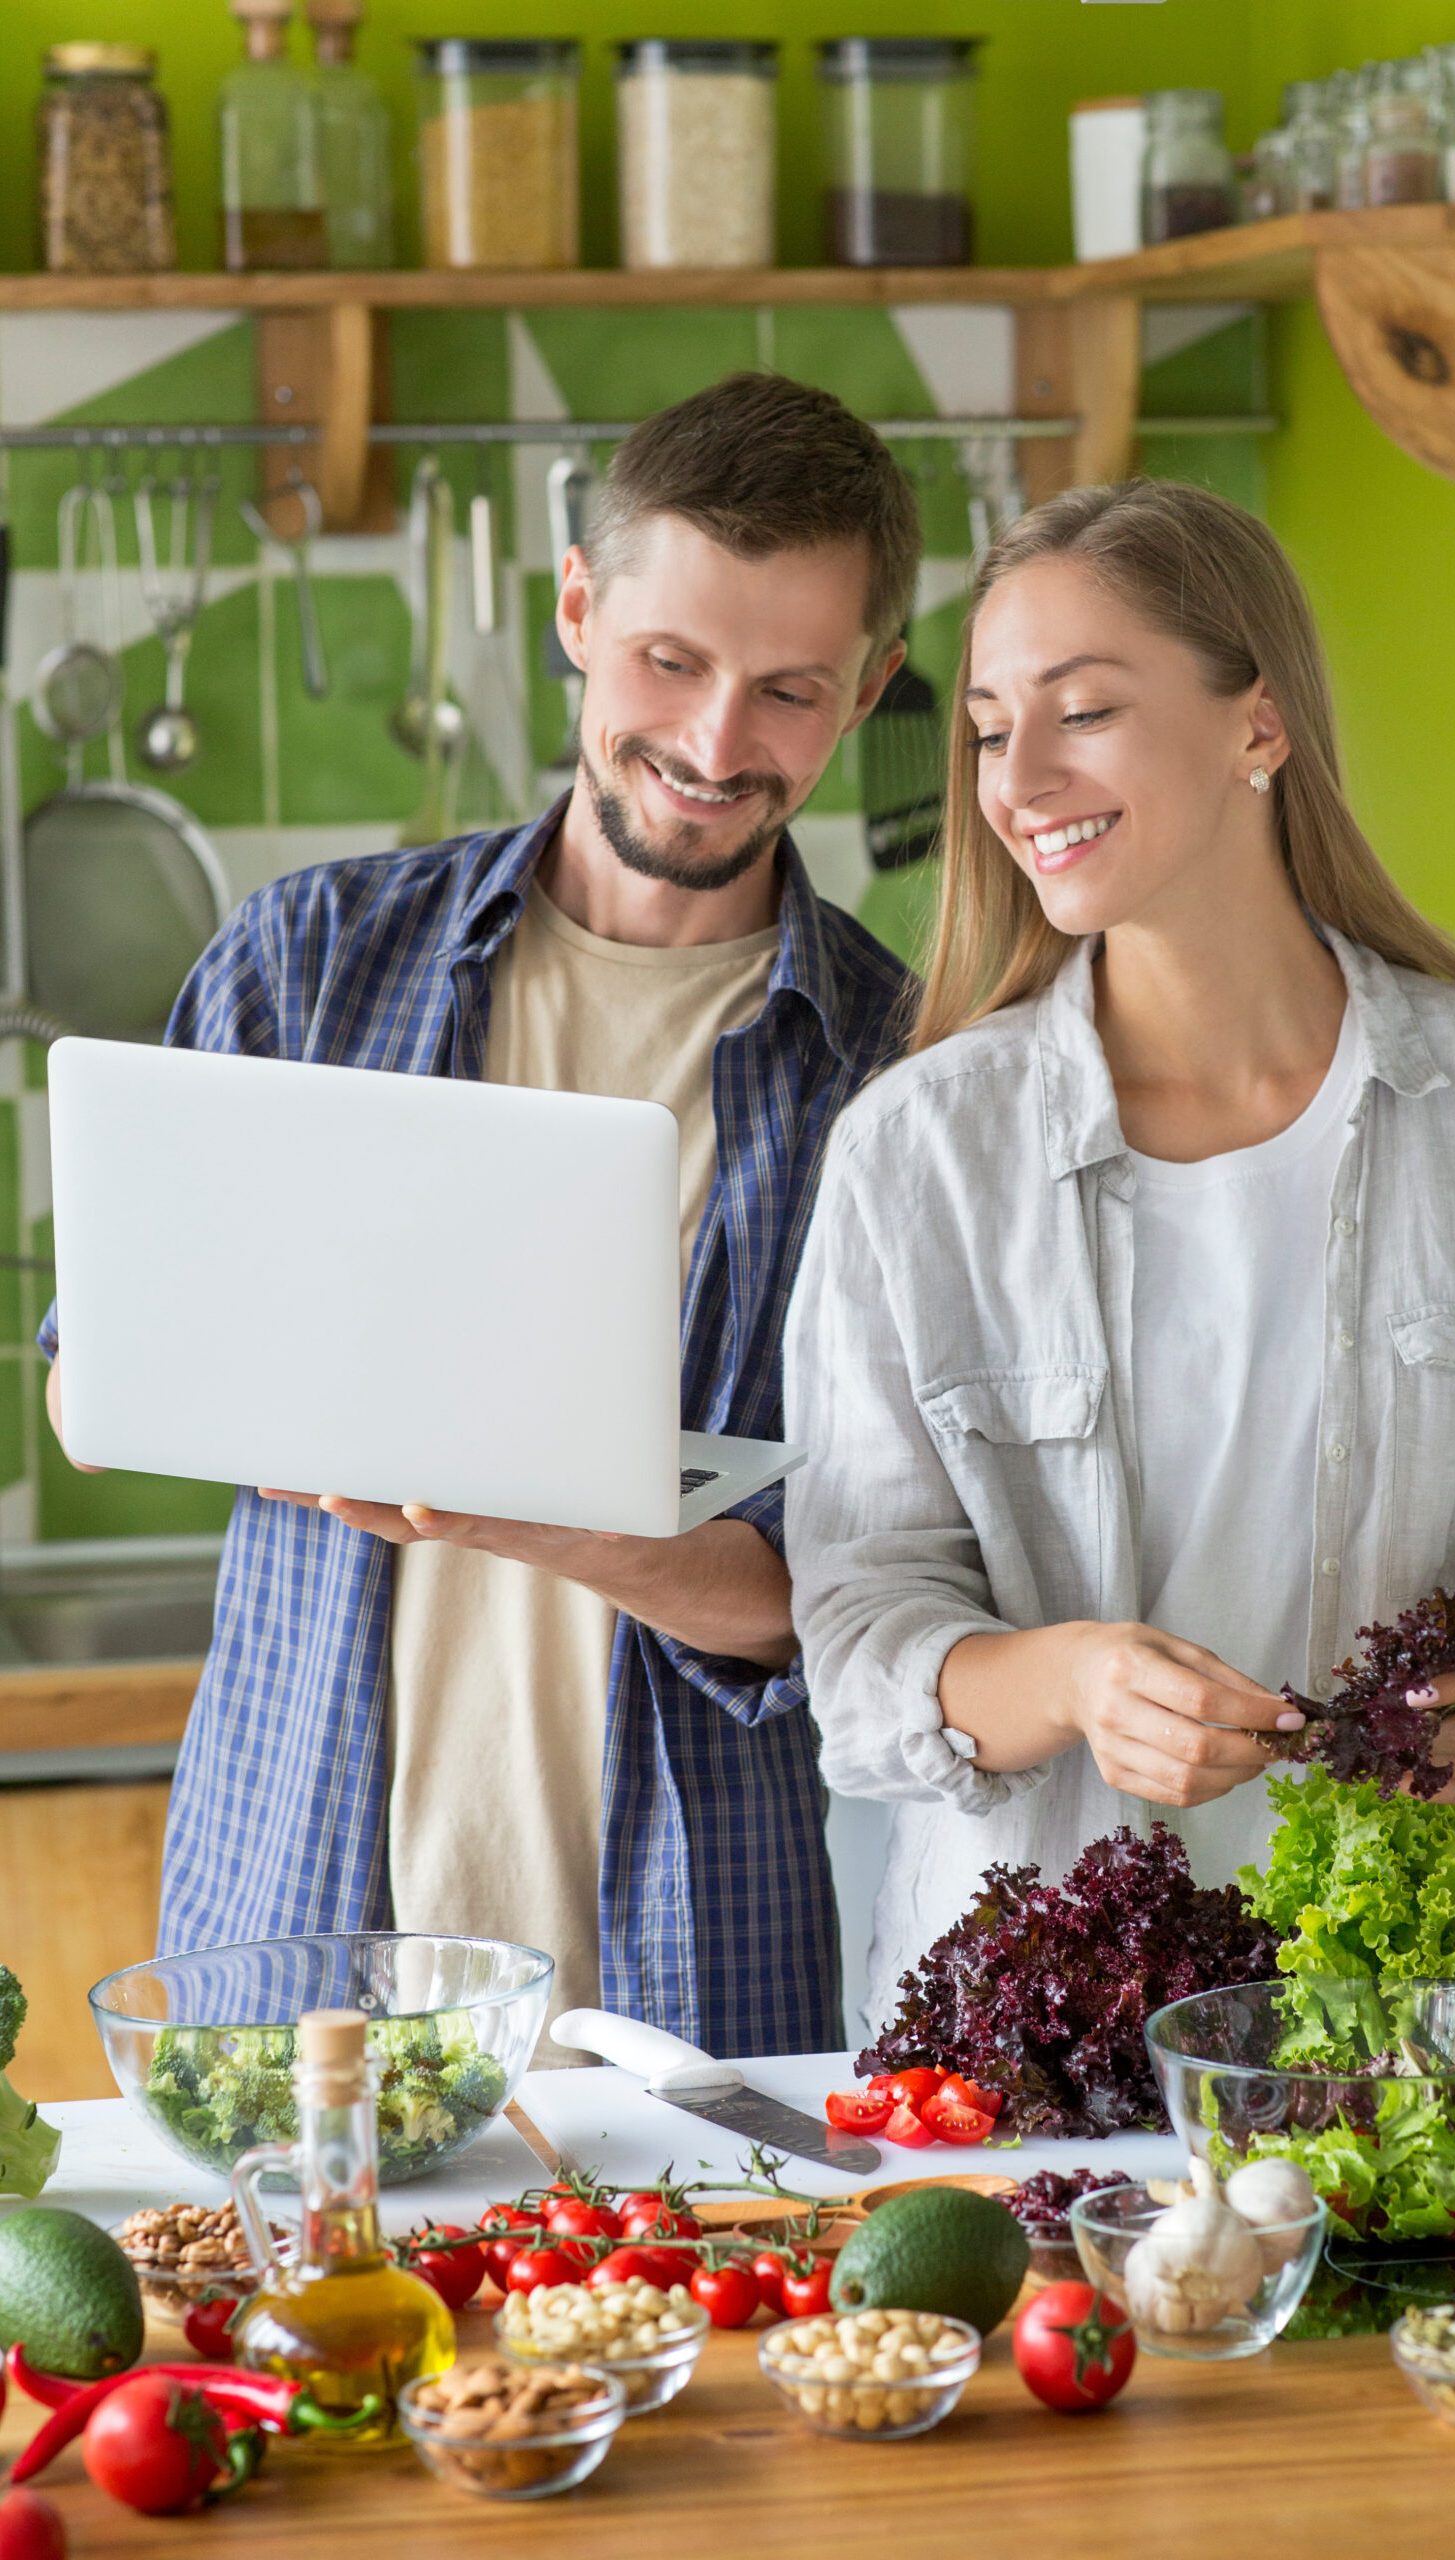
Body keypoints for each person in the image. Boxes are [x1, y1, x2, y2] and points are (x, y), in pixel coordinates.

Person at [42, 371, 921, 2057]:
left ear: (868, 685)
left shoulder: (900, 1078)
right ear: (579, 611)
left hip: (684, 1970)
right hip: (292, 1948)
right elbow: (94, 1390)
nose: (717, 744)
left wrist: (519, 1511)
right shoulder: (311, 961)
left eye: (791, 690)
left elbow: (848, 1604)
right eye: (671, 661)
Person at [783, 477, 1455, 2031]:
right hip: (1025, 2053)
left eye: (1085, 712)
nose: (1024, 779)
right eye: (995, 730)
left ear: (1256, 726)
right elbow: (865, 1649)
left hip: (1416, 2031)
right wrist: (1073, 1683)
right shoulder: (918, 1151)